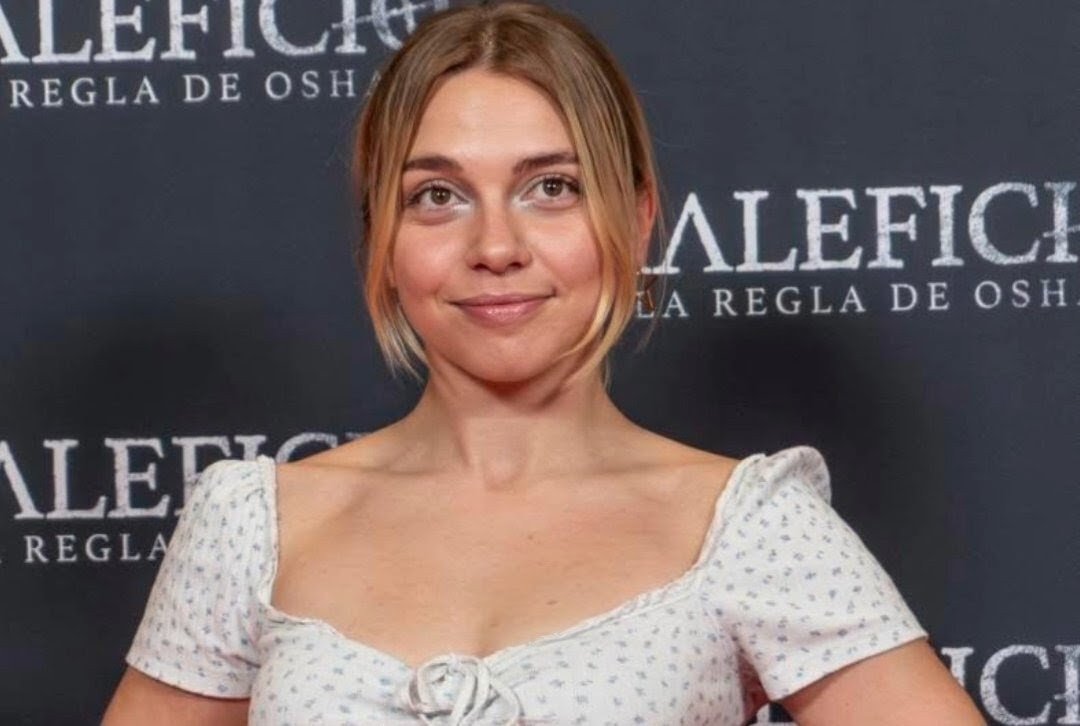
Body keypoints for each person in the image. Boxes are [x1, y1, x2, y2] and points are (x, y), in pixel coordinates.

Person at [103, 2, 986, 724]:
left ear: (636, 218)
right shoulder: (253, 524)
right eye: (437, 195)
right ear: (383, 236)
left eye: (551, 188)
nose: (496, 246)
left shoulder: (747, 527)